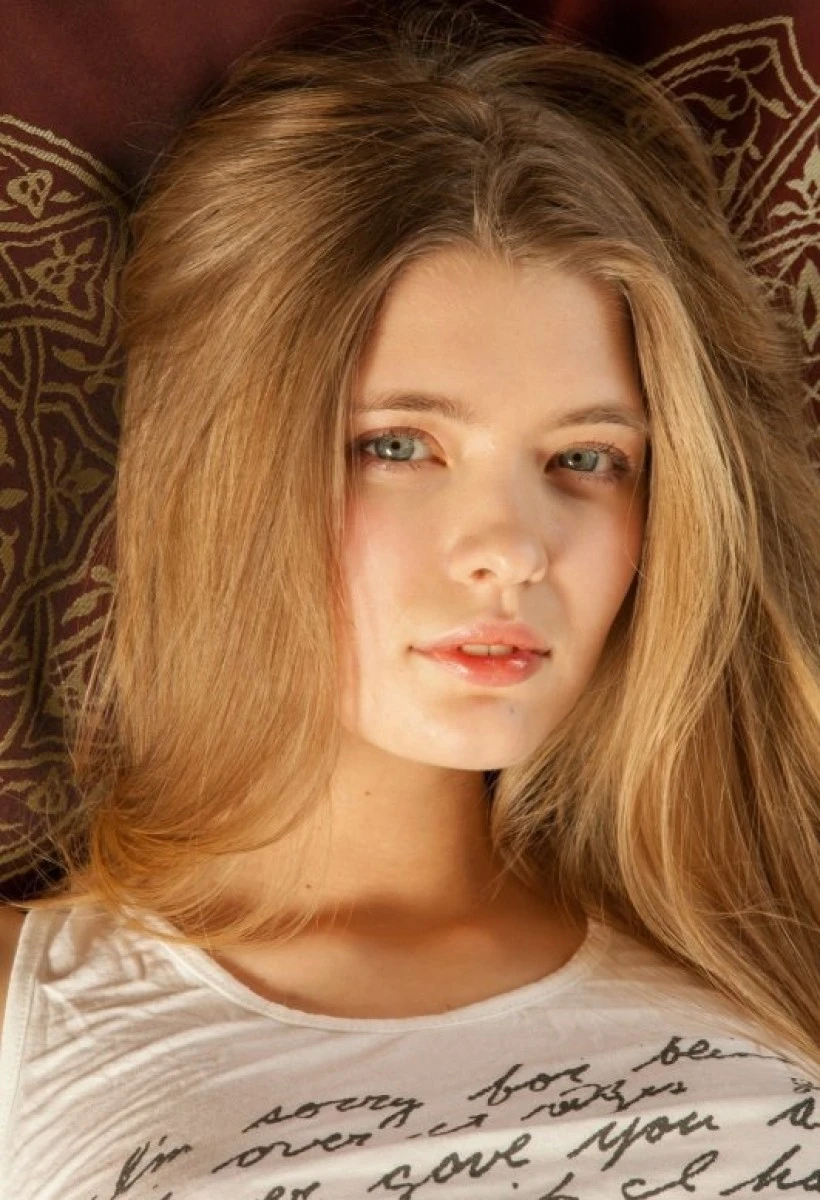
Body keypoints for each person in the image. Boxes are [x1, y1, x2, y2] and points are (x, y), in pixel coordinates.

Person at [0, 1, 818, 1196]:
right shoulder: (33, 1017)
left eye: (585, 459)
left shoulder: (780, 953)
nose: (510, 551)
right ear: (215, 468)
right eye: (398, 446)